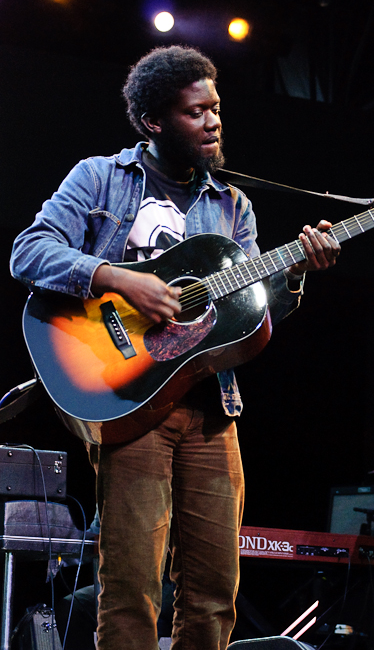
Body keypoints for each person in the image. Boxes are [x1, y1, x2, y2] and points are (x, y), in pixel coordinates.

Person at [10, 45, 340, 650]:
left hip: (214, 408)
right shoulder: (100, 177)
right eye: (196, 112)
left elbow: (252, 313)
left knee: (215, 594)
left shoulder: (233, 206)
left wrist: (295, 275)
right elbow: (28, 252)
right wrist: (118, 278)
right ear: (153, 122)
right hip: (131, 404)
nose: (213, 122)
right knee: (133, 587)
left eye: (216, 109)